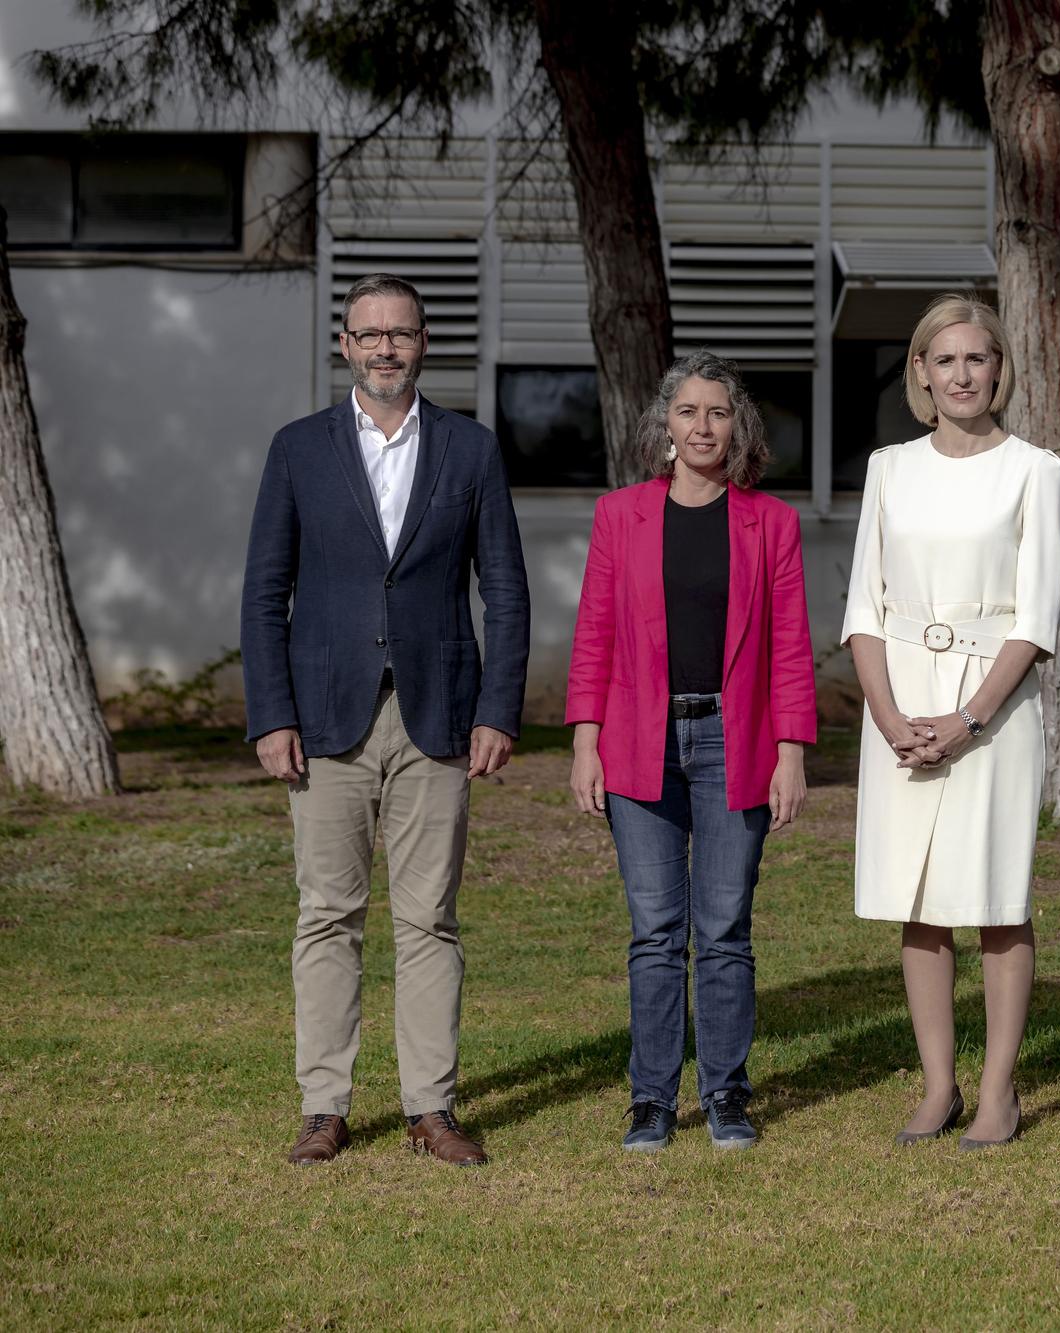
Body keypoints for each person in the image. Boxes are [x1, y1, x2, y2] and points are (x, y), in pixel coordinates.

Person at [242, 272, 529, 1167]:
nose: (384, 348)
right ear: (344, 345)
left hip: (438, 712)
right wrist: (270, 714)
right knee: (327, 913)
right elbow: (264, 593)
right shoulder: (299, 449)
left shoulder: (470, 450)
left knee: (429, 917)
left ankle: (430, 1108)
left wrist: (498, 708)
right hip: (324, 716)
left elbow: (507, 592)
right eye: (368, 334)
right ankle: (324, 1105)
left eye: (399, 333)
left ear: (424, 342)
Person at [566, 352, 817, 1153]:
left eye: (717, 412)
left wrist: (791, 751)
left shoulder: (769, 522)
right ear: (665, 427)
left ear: (736, 426)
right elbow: (595, 634)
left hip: (733, 740)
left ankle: (725, 1091)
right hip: (638, 739)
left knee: (725, 925)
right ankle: (650, 1098)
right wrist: (585, 743)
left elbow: (789, 647)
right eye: (687, 411)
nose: (702, 425)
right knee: (654, 929)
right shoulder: (621, 515)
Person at [841, 294, 1060, 1151]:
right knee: (921, 901)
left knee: (996, 897)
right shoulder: (890, 467)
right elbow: (864, 605)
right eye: (946, 360)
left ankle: (999, 1094)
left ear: (999, 369)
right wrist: (891, 714)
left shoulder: (1036, 469)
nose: (963, 374)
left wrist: (970, 718)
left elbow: (1036, 619)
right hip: (898, 704)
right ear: (921, 374)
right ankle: (938, 1086)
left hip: (994, 712)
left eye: (978, 358)